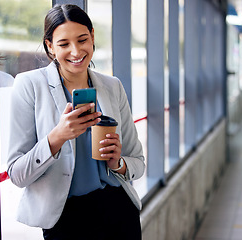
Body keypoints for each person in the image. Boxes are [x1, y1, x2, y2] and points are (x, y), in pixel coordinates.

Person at [7, 4, 145, 240]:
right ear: (50, 46)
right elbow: (17, 174)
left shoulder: (112, 86)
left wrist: (117, 163)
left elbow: (138, 163)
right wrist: (57, 137)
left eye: (82, 40)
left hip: (118, 210)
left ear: (92, 37)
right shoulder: (29, 85)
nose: (75, 51)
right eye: (63, 44)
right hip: (64, 219)